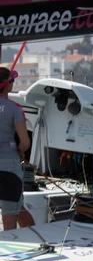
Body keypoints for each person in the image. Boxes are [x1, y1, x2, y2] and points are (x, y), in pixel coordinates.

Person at [0, 67, 34, 230]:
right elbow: (25, 142)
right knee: (9, 219)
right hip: (8, 169)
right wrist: (20, 152)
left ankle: (36, 234)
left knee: (18, 208)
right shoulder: (15, 109)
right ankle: (14, 254)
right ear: (8, 85)